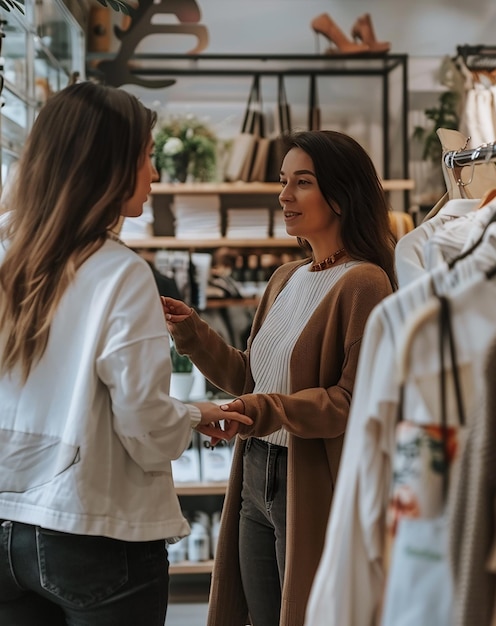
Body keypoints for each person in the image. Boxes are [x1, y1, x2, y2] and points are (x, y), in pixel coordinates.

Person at [0, 81, 252, 626]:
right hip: (96, 530)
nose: (155, 173)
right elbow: (145, 429)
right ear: (107, 164)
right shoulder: (120, 273)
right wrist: (187, 420)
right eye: (147, 157)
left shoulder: (7, 252)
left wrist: (189, 413)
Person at [162, 129, 398, 626]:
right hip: (254, 475)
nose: (284, 196)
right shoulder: (286, 277)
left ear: (341, 195)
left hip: (308, 479)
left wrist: (260, 411)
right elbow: (250, 376)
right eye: (283, 181)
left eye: (302, 182)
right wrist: (192, 332)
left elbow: (349, 402)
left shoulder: (365, 282)